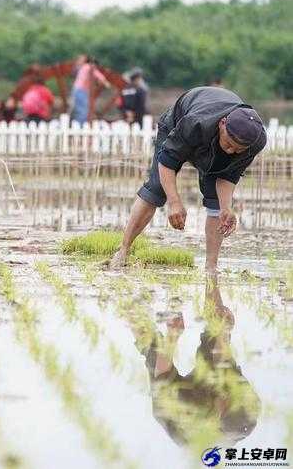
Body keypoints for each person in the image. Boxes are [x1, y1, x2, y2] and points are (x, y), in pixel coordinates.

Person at [109, 86, 267, 273]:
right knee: (157, 188)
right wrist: (174, 202)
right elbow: (167, 161)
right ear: (222, 123)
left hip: (209, 137)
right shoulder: (195, 123)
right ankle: (123, 249)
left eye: (238, 150)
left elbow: (228, 175)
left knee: (217, 205)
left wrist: (226, 207)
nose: (231, 151)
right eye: (229, 144)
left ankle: (211, 267)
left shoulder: (256, 141)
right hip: (177, 123)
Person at [127, 277, 259, 446]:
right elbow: (221, 360)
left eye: (226, 400)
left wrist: (173, 334)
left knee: (154, 350)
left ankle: (128, 301)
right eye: (231, 395)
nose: (226, 394)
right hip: (213, 416)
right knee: (216, 330)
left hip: (172, 404)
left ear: (220, 413)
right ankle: (210, 274)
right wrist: (222, 328)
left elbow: (163, 373)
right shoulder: (246, 399)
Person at [70, 55, 111, 124]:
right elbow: (98, 75)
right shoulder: (89, 67)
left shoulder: (83, 67)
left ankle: (78, 125)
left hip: (79, 90)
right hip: (81, 91)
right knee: (83, 111)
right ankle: (81, 126)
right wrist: (106, 83)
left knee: (81, 109)